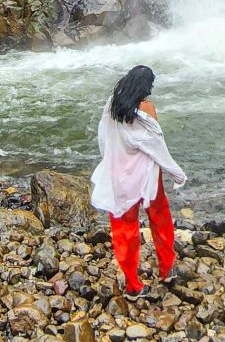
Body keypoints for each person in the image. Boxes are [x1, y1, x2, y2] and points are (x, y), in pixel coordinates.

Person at [90, 64, 187, 300]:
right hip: (146, 177)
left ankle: (132, 284)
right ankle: (166, 268)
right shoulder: (146, 108)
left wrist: (108, 161)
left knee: (125, 229)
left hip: (118, 176)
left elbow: (103, 136)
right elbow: (156, 147)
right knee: (160, 219)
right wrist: (177, 174)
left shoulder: (113, 105)